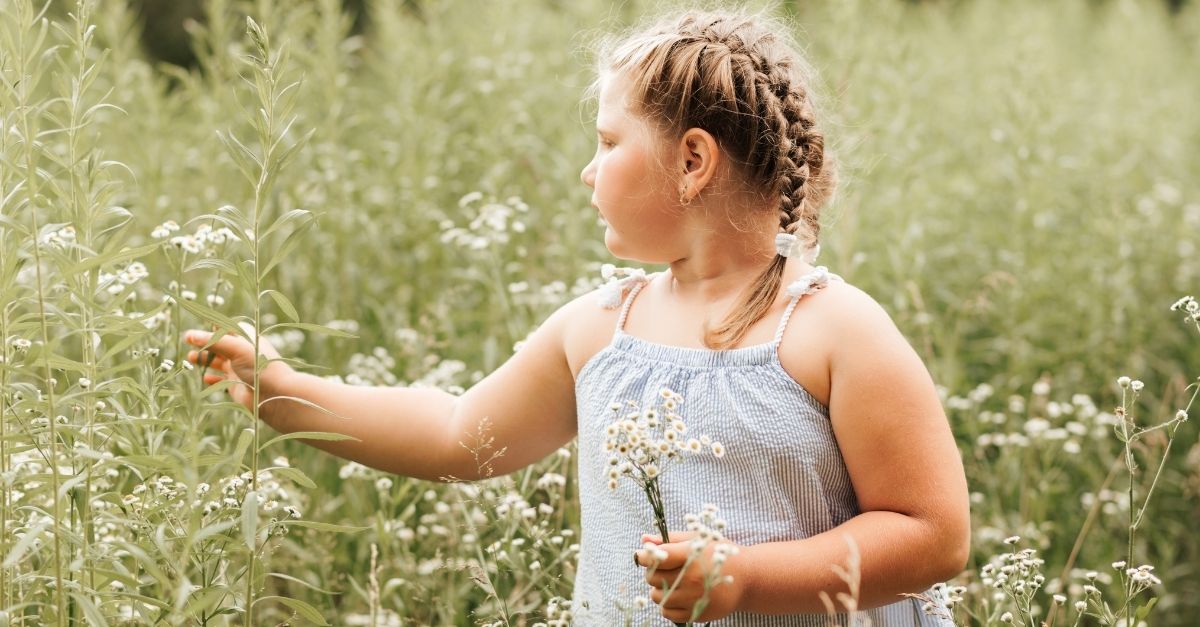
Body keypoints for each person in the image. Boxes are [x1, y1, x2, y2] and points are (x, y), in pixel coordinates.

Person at [185, 8, 969, 625]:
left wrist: (748, 577)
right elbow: (458, 434)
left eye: (608, 140)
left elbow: (934, 533)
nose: (588, 170)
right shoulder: (600, 329)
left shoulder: (835, 331)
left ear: (692, 162)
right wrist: (287, 394)